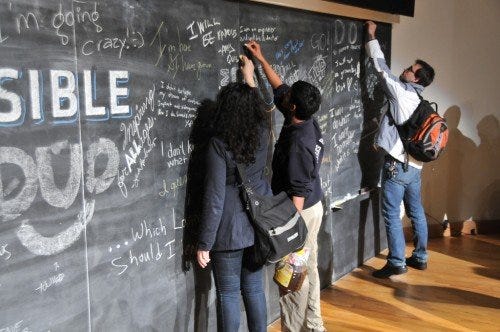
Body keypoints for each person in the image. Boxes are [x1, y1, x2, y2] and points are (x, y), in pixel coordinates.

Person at [245, 40, 326, 332]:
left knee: (292, 278)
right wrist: (260, 59)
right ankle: (314, 324)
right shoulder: (305, 119)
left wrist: (291, 239)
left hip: (299, 212)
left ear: (293, 107)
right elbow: (280, 88)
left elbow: (298, 194)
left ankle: (293, 328)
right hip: (313, 205)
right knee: (309, 267)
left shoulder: (297, 145)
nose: (285, 93)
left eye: (289, 96)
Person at [196, 56, 271, 332]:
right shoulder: (263, 133)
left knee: (228, 293)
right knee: (253, 289)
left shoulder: (218, 145)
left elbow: (215, 198)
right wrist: (249, 77)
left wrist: (204, 242)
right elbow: (261, 110)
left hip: (228, 230)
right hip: (258, 224)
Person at [365, 21, 436, 278]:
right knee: (416, 211)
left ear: (415, 78)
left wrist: (372, 36)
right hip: (416, 167)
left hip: (396, 165)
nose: (404, 70)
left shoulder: (402, 95)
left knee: (391, 214)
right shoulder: (421, 101)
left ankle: (396, 261)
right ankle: (420, 256)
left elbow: (381, 69)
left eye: (409, 69)